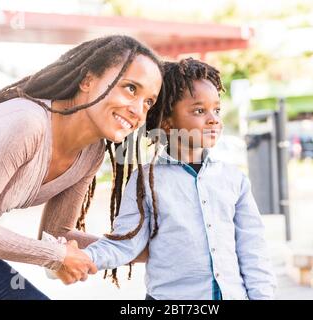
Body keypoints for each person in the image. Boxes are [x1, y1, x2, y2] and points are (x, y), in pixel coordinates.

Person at [0, 35, 163, 300]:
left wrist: (151, 248)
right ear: (87, 80)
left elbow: (56, 233)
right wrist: (56, 256)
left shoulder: (90, 153)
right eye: (131, 89)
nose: (138, 110)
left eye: (148, 101)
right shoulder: (26, 123)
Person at [81, 58, 277, 300]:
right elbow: (125, 243)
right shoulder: (146, 180)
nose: (213, 119)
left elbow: (253, 249)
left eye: (216, 110)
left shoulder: (234, 179)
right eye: (199, 111)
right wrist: (81, 258)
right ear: (166, 121)